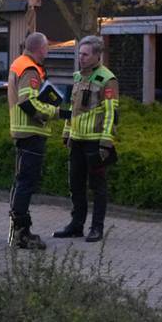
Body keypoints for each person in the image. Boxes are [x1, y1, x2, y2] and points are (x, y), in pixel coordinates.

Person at [6, 32, 68, 249]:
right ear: (40, 49)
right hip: (31, 132)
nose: (47, 52)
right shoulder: (30, 69)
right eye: (47, 48)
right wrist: (57, 112)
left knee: (21, 181)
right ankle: (22, 234)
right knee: (26, 183)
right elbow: (28, 103)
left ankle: (16, 231)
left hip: (23, 132)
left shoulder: (19, 63)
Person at [55, 35, 118, 243]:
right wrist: (66, 132)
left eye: (85, 54)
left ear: (97, 55)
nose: (80, 58)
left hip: (95, 141)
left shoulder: (107, 79)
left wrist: (106, 142)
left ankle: (96, 228)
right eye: (79, 54)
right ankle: (76, 225)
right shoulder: (77, 77)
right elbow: (72, 109)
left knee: (97, 187)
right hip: (77, 139)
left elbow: (111, 113)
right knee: (76, 184)